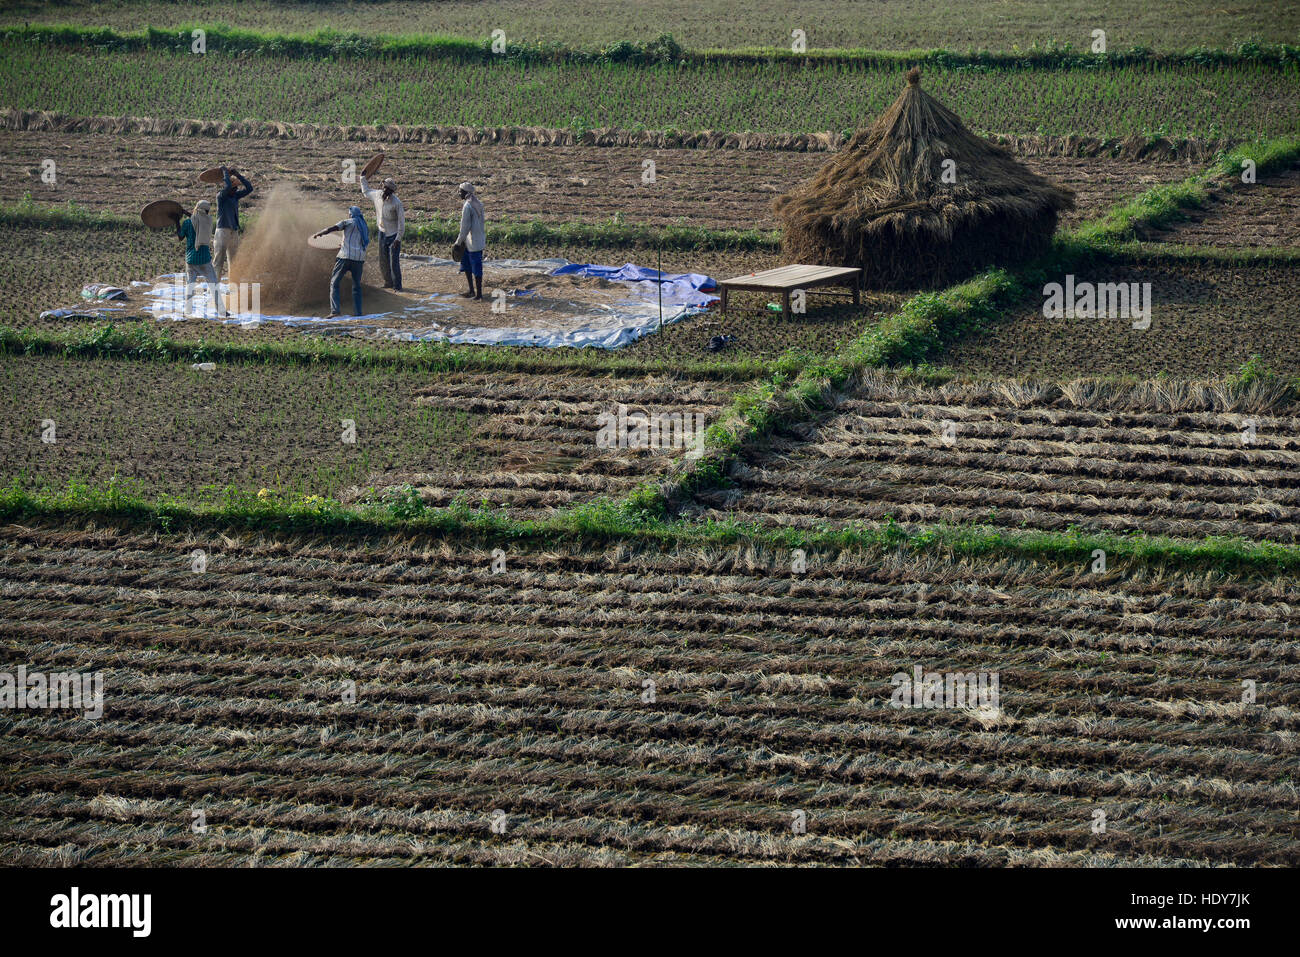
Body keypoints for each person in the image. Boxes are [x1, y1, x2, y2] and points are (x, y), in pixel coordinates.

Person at [311, 205, 369, 317]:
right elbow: (359, 241)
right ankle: (358, 313)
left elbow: (331, 229)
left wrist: (320, 233)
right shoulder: (364, 226)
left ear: (350, 214)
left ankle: (335, 311)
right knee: (356, 286)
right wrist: (343, 244)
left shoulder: (348, 222)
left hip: (345, 257)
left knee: (334, 283)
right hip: (359, 259)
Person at [173, 199, 225, 317]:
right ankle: (221, 311)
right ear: (206, 211)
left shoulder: (187, 223)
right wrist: (187, 212)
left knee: (190, 286)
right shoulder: (208, 221)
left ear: (196, 208)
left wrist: (177, 220)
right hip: (204, 260)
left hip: (190, 259)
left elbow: (181, 237)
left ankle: (188, 311)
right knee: (214, 286)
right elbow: (199, 220)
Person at [360, 173, 404, 291]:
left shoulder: (397, 203)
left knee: (393, 262)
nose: (386, 191)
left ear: (392, 191)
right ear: (382, 187)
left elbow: (401, 222)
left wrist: (398, 239)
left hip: (393, 235)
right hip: (382, 233)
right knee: (383, 260)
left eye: (389, 190)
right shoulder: (377, 195)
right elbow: (365, 192)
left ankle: (397, 285)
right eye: (385, 188)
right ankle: (388, 282)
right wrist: (363, 178)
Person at [212, 165, 253, 278]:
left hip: (233, 231)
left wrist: (238, 174)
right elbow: (228, 185)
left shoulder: (235, 197)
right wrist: (225, 171)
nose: (236, 189)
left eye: (236, 188)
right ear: (227, 188)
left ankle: (233, 286)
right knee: (219, 260)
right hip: (222, 231)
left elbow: (250, 188)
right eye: (234, 187)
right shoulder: (221, 197)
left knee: (233, 261)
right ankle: (214, 287)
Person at [455, 182, 485, 300]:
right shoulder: (478, 203)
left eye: (460, 191)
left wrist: (458, 242)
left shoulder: (467, 206)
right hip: (477, 240)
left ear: (466, 193)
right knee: (470, 266)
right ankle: (474, 292)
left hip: (471, 242)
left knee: (473, 267)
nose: (459, 193)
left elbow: (464, 227)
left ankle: (477, 294)